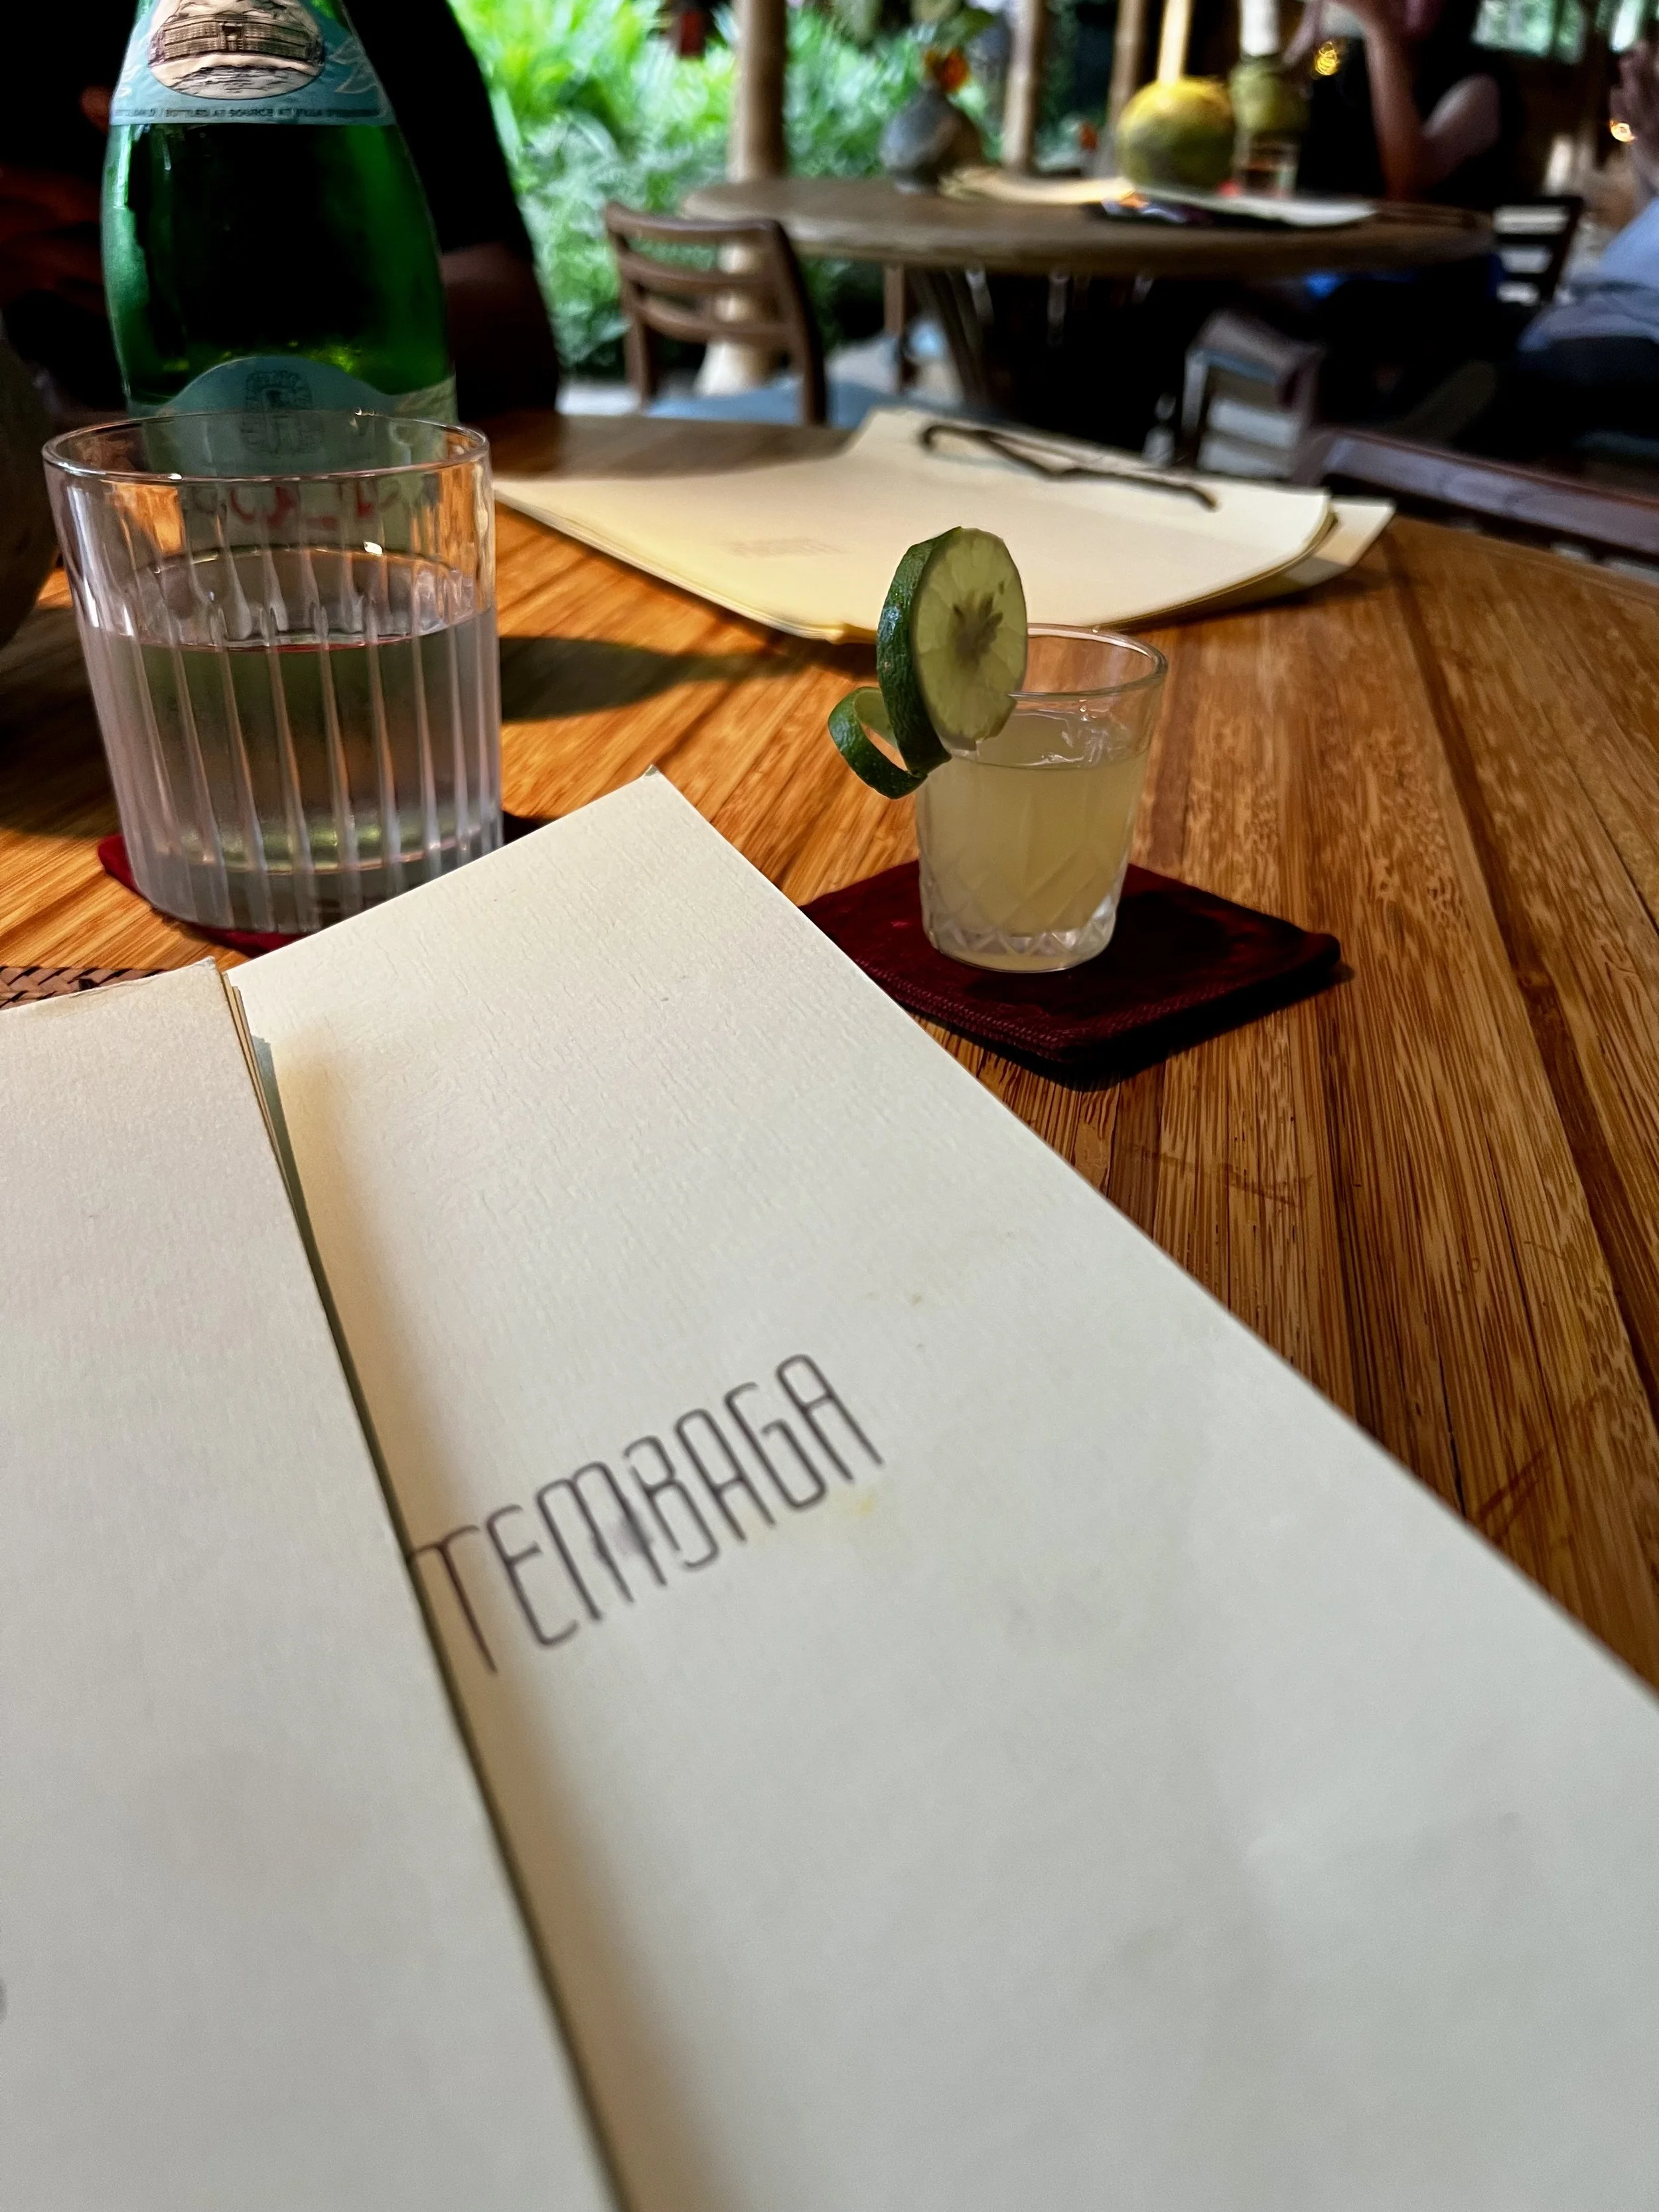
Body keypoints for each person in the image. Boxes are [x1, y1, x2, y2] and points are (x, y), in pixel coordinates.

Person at [1, 2, 559, 421]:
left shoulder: (363, 22)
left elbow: (516, 332)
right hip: (81, 510)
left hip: (363, 485)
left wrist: (269, 296)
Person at [1463, 40, 1659, 458]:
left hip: (1644, 344)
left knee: (1530, 381)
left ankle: (1400, 464)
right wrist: (1643, 139)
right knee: (1444, 320)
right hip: (1609, 316)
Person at [1291, 0, 1522, 208]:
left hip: (1433, 251)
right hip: (1341, 245)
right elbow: (1271, 124)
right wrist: (1312, 23)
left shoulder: (1482, 84)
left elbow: (1407, 185)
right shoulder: (1347, 66)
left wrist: (1379, 28)